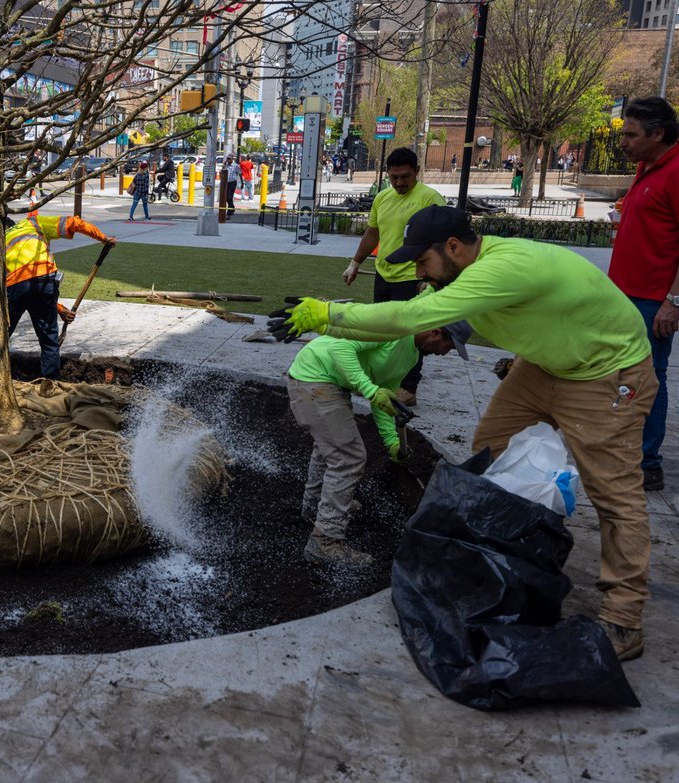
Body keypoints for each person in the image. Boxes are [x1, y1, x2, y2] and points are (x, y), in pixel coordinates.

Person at [277, 205, 658, 661]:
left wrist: (328, 314)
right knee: (487, 453)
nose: (420, 271)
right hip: (544, 366)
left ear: (454, 248)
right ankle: (495, 558)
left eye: (423, 262)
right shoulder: (461, 274)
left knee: (614, 494)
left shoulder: (498, 268)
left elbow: (408, 319)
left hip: (606, 371)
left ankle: (623, 620)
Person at [287, 321, 470, 568]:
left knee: (331, 446)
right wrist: (370, 390)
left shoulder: (411, 355)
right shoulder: (393, 328)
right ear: (436, 332)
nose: (444, 353)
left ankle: (315, 506)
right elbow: (340, 348)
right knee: (348, 457)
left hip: (328, 383)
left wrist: (393, 442)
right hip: (313, 378)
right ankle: (325, 540)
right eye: (448, 346)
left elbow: (385, 398)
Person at [608, 96, 679, 492]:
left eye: (631, 135)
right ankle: (626, 450)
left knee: (650, 377)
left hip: (653, 301)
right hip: (623, 294)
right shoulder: (647, 167)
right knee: (625, 375)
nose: (623, 142)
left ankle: (647, 462)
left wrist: (674, 301)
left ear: (658, 133)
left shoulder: (676, 171)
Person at [342, 147, 446, 406]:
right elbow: (373, 234)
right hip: (384, 275)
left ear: (417, 172)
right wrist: (355, 263)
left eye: (405, 177)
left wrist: (431, 279)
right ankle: (378, 379)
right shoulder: (382, 198)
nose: (399, 183)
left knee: (411, 336)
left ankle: (408, 388)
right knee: (381, 331)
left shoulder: (430, 199)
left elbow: (441, 242)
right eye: (394, 177)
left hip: (414, 279)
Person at [4, 214, 115, 377]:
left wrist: (60, 309)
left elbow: (23, 286)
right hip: (44, 280)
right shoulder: (34, 222)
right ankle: (51, 385)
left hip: (14, 285)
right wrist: (103, 238)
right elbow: (75, 223)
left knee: (0, 336)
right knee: (49, 341)